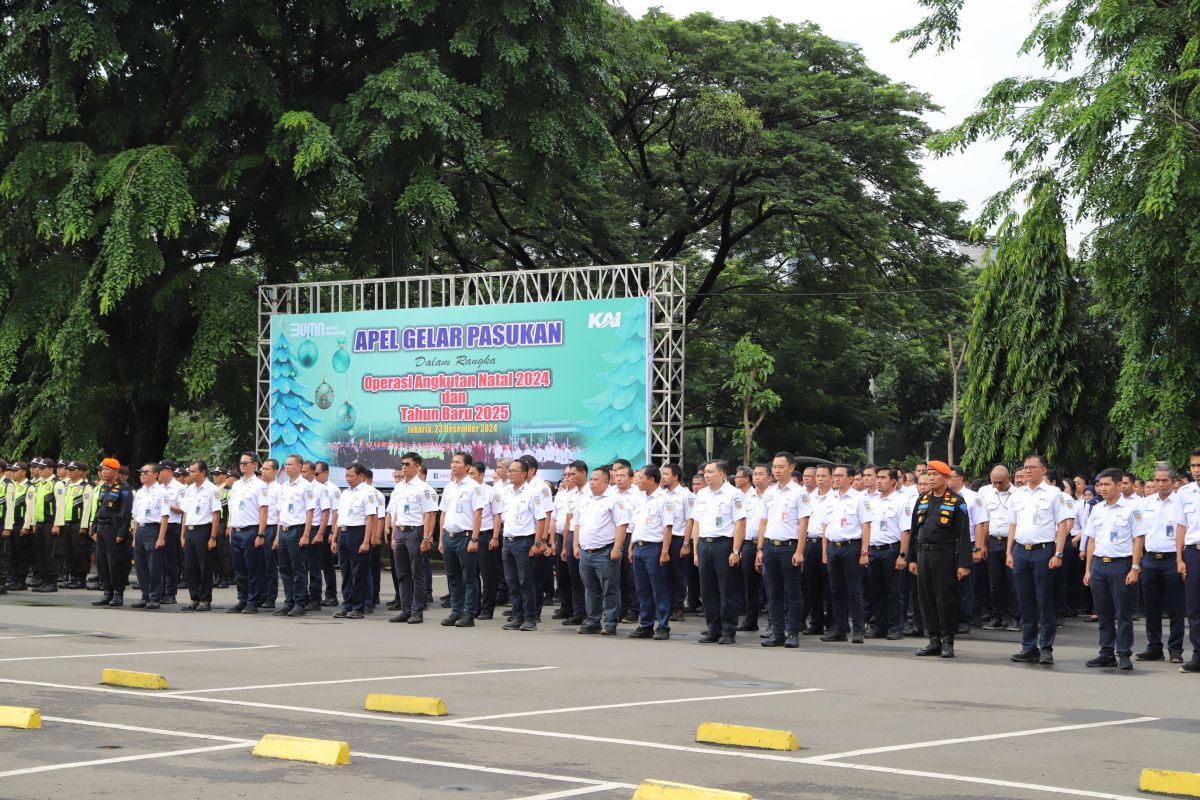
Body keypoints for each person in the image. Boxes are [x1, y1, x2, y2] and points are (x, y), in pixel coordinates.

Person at [1007, 454, 1074, 666]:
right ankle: (1029, 647)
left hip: (1044, 550)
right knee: (1025, 600)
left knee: (1044, 600)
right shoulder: (1017, 495)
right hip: (1020, 550)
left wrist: (1059, 553)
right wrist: (1009, 552)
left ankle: (1046, 647)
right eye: (1025, 468)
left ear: (1043, 470)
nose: (1027, 471)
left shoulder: (1055, 494)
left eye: (1032, 467)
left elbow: (1063, 525)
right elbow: (1013, 525)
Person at [906, 461, 972, 658]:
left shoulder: (956, 501)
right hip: (923, 554)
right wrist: (911, 559)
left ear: (946, 478)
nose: (931, 478)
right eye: (929, 474)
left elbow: (963, 534)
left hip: (945, 555)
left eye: (936, 474)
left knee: (945, 598)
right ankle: (933, 639)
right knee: (926, 598)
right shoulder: (923, 500)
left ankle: (947, 640)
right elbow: (914, 532)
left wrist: (964, 563)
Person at [1082, 468, 1142, 670]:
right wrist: (1088, 569)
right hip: (1099, 564)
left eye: (1107, 484)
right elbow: (1091, 539)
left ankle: (1124, 653)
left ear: (1118, 485)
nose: (1102, 488)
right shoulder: (1097, 509)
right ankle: (1106, 652)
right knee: (1103, 611)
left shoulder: (1132, 509)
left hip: (1121, 564)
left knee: (1122, 612)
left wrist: (1134, 567)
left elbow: (1138, 539)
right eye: (1100, 485)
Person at [690, 460, 747, 644]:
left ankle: (728, 630)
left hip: (724, 544)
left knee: (726, 589)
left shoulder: (734, 494)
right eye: (705, 472)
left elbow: (740, 523)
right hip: (704, 545)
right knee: (707, 590)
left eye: (710, 472)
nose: (706, 475)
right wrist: (696, 550)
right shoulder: (702, 495)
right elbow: (696, 523)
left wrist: (735, 550)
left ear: (722, 474)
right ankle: (713, 629)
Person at [756, 452, 810, 648]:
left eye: (781, 467)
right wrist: (760, 549)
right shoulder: (769, 492)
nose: (777, 470)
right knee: (773, 592)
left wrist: (800, 551)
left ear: (791, 468)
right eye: (775, 467)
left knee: (793, 592)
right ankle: (777, 632)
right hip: (770, 547)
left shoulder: (799, 493)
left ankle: (792, 632)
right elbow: (763, 522)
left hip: (789, 547)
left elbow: (803, 524)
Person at [573, 464, 630, 635]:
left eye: (596, 480)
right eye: (591, 479)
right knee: (590, 589)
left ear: (606, 482)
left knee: (610, 588)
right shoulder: (584, 499)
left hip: (605, 551)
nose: (592, 483)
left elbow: (622, 525)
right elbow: (577, 524)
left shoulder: (614, 500)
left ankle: (611, 622)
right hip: (586, 551)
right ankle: (593, 621)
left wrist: (617, 548)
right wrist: (576, 546)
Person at [1136, 465, 1185, 663]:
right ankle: (1154, 647)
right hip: (1150, 559)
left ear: (1173, 482)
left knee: (1176, 607)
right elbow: (1138, 534)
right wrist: (1137, 561)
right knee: (1152, 606)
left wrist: (1182, 560)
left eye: (1165, 480)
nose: (1160, 484)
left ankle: (1175, 649)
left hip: (1173, 558)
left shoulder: (1180, 503)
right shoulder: (1145, 503)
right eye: (1157, 480)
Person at [821, 464, 871, 644]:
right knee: (836, 590)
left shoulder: (859, 499)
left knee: (854, 590)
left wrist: (864, 552)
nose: (836, 478)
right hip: (833, 546)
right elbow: (825, 526)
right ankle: (839, 628)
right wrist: (825, 551)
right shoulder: (830, 498)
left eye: (841, 475)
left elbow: (866, 526)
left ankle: (858, 629)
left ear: (851, 478)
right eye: (835, 475)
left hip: (852, 546)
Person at [387, 452, 439, 624]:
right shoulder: (399, 487)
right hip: (401, 532)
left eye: (407, 464)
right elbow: (396, 514)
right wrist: (394, 535)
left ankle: (417, 610)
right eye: (402, 464)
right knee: (402, 574)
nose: (404, 467)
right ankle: (405, 609)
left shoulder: (424, 488)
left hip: (416, 532)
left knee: (417, 573)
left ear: (417, 467)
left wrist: (426, 538)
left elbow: (429, 515)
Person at [499, 457, 547, 631]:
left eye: (513, 471)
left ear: (524, 474)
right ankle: (517, 616)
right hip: (508, 541)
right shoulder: (507, 492)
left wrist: (538, 543)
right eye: (509, 470)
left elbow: (541, 519)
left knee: (526, 581)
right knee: (512, 581)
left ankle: (530, 618)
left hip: (524, 541)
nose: (509, 473)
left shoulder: (532, 493)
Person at [439, 451, 483, 627]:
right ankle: (455, 611)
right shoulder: (449, 487)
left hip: (465, 537)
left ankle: (469, 613)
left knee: (469, 577)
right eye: (452, 462)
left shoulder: (474, 487)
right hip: (449, 537)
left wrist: (474, 539)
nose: (453, 465)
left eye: (457, 462)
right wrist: (441, 538)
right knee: (453, 577)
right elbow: (443, 513)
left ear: (467, 467)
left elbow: (478, 514)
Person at [628, 465, 672, 640]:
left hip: (654, 548)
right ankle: (645, 624)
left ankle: (663, 625)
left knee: (659, 588)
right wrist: (631, 547)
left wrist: (665, 551)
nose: (637, 481)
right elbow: (635, 526)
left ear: (651, 480)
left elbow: (667, 527)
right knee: (642, 589)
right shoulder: (641, 499)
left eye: (641, 478)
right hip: (638, 546)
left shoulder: (663, 499)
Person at [868, 465, 910, 640]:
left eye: (883, 478)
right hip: (873, 550)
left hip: (891, 549)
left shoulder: (901, 503)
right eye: (878, 477)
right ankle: (879, 626)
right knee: (875, 591)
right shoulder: (871, 502)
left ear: (893, 481)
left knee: (894, 591)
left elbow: (905, 531)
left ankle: (895, 627)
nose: (879, 481)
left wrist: (902, 555)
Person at [976, 464, 1020, 631]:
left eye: (1000, 482)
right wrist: (983, 545)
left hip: (1013, 542)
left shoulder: (1018, 495)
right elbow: (985, 521)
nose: (997, 485)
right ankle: (997, 616)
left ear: (1009, 479)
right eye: (994, 482)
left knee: (1012, 582)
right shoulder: (988, 495)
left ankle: (1014, 616)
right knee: (995, 583)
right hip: (994, 541)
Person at [331, 463, 378, 619]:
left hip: (358, 532)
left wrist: (366, 541)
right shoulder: (345, 493)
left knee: (358, 572)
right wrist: (335, 538)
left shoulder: (368, 493)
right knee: (346, 572)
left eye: (351, 476)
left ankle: (358, 607)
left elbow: (371, 518)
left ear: (361, 476)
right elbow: (339, 517)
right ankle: (347, 605)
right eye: (346, 476)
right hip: (343, 533)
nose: (348, 479)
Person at [226, 452, 270, 615]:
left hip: (251, 530)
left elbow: (263, 510)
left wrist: (260, 534)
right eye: (241, 463)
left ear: (254, 465)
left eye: (246, 463)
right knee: (239, 568)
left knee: (254, 568)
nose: (242, 465)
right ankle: (242, 599)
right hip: (236, 531)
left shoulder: (260, 485)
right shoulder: (236, 485)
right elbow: (232, 509)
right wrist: (230, 528)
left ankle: (253, 600)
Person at [273, 454, 316, 617]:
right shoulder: (283, 486)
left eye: (290, 464)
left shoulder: (306, 486)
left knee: (298, 569)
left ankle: (299, 603)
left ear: (299, 466)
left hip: (297, 530)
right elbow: (280, 514)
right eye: (286, 464)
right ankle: (288, 602)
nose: (287, 467)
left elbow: (310, 511)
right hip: (283, 531)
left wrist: (306, 535)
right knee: (284, 569)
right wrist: (277, 537)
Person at [87, 459, 133, 607]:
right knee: (102, 563)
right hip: (102, 529)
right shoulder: (103, 487)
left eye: (107, 469)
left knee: (115, 563)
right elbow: (98, 509)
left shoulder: (124, 488)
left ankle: (118, 594)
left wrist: (121, 533)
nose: (103, 472)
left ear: (115, 471)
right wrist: (94, 528)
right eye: (102, 469)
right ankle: (107, 592)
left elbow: (126, 513)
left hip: (114, 530)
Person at [179, 460, 221, 611]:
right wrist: (182, 535)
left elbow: (216, 515)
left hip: (204, 530)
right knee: (190, 567)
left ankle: (205, 599)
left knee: (205, 567)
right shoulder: (189, 490)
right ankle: (193, 598)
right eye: (190, 471)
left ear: (203, 472)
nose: (190, 474)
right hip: (190, 530)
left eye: (193, 471)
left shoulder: (212, 490)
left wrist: (213, 537)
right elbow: (185, 513)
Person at [468, 460, 504, 619]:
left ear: (482, 475)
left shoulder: (491, 492)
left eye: (473, 474)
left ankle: (487, 608)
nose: (470, 477)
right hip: (468, 536)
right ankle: (472, 607)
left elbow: (497, 515)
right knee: (470, 574)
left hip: (485, 536)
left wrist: (495, 537)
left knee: (488, 574)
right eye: (468, 474)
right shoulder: (465, 490)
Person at [1175, 448, 1200, 673]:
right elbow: (1181, 527)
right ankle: (1198, 655)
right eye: (1193, 466)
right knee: (1194, 607)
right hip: (1193, 553)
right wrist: (1180, 558)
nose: (1196, 470)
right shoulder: (1185, 493)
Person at [131, 463, 169, 609]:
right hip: (141, 529)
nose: (142, 475)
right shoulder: (140, 492)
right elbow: (136, 517)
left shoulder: (161, 492)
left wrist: (161, 537)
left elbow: (165, 516)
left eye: (146, 472)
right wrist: (135, 536)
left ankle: (155, 597)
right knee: (140, 566)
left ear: (156, 474)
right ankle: (145, 595)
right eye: (141, 472)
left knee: (154, 566)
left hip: (154, 529)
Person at [802, 464, 833, 635]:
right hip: (810, 543)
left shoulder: (835, 497)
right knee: (812, 585)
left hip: (827, 542)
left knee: (829, 586)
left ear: (831, 477)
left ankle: (832, 622)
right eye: (818, 476)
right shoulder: (809, 497)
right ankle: (816, 622)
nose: (819, 479)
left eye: (823, 476)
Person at [660, 463, 692, 622]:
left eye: (666, 474)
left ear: (675, 477)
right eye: (662, 474)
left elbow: (690, 521)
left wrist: (686, 544)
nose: (663, 477)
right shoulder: (661, 494)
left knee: (678, 575)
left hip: (678, 539)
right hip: (662, 539)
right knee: (663, 575)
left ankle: (678, 607)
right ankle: (666, 606)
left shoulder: (686, 495)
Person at [155, 461, 185, 604]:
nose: (158, 473)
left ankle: (170, 592)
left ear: (168, 470)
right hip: (158, 526)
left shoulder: (180, 488)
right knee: (158, 561)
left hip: (173, 526)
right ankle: (159, 591)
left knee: (170, 561)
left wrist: (168, 506)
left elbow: (183, 509)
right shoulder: (158, 488)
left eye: (160, 470)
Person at [313, 461, 340, 605]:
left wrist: (333, 532)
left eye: (317, 474)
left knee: (327, 564)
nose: (315, 476)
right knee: (314, 564)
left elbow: (335, 512)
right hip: (314, 528)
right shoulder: (312, 488)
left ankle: (331, 595)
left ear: (326, 473)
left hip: (328, 528)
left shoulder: (332, 489)